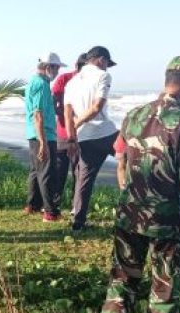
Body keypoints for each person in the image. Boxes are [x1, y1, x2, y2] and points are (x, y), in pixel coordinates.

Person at [100, 56, 180, 313]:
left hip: (130, 212)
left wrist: (129, 193)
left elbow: (121, 160)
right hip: (167, 219)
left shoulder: (134, 115)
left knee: (124, 272)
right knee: (166, 279)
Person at [64, 46, 120, 231]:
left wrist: (72, 137)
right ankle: (135, 213)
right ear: (101, 59)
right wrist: (79, 122)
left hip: (84, 137)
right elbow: (97, 107)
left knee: (84, 180)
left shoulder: (71, 83)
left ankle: (78, 222)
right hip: (104, 133)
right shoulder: (103, 76)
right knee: (134, 160)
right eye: (107, 63)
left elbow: (67, 113)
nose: (107, 67)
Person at [24, 52, 65, 222]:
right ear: (48, 67)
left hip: (35, 133)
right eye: (56, 68)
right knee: (47, 172)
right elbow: (38, 114)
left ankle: (32, 205)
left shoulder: (36, 82)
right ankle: (50, 212)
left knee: (36, 171)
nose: (57, 71)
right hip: (43, 134)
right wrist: (43, 142)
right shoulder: (41, 84)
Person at [52, 53, 87, 206]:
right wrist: (68, 116)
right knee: (59, 170)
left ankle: (75, 205)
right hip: (63, 133)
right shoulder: (64, 79)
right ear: (78, 66)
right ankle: (53, 204)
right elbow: (54, 103)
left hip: (82, 133)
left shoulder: (90, 82)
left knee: (78, 172)